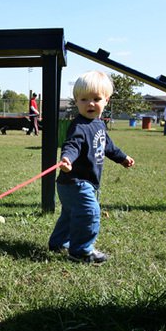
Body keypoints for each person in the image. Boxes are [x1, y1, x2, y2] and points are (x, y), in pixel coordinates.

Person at [48, 71, 135, 264]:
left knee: (71, 213)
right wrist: (66, 159)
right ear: (76, 101)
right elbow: (72, 145)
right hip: (75, 182)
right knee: (90, 213)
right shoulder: (79, 126)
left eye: (96, 99)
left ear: (107, 101)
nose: (90, 104)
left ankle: (59, 243)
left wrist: (122, 158)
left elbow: (108, 147)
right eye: (84, 99)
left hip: (76, 184)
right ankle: (81, 251)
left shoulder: (98, 125)